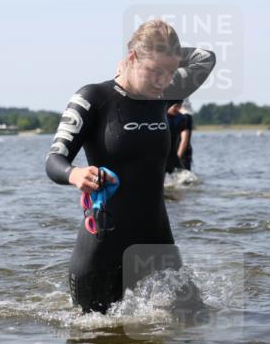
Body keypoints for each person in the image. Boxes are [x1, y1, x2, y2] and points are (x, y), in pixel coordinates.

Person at [45, 19, 216, 313]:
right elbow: (53, 161)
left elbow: (206, 58)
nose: (163, 81)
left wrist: (166, 54)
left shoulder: (162, 94)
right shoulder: (93, 98)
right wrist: (75, 174)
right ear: (133, 58)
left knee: (192, 327)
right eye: (155, 71)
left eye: (171, 72)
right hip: (102, 247)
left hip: (157, 241)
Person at [165, 101, 193, 173]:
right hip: (163, 155)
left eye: (179, 105)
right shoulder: (161, 117)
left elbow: (184, 140)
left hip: (176, 155)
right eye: (175, 105)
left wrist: (178, 157)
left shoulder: (183, 118)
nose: (177, 108)